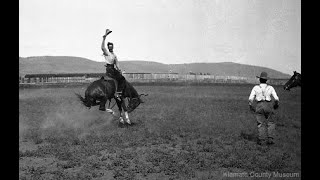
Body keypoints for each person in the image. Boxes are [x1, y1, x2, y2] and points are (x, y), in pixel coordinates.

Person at [248, 72, 279, 145]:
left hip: (259, 105)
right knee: (271, 122)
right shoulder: (270, 88)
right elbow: (276, 98)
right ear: (266, 80)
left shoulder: (255, 87)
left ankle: (261, 140)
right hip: (269, 105)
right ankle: (270, 139)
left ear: (259, 80)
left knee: (260, 123)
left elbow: (250, 99)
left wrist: (250, 106)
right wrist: (276, 105)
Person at [101, 29, 126, 98]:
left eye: (111, 47)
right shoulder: (107, 53)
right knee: (119, 79)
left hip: (112, 68)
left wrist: (119, 70)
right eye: (110, 48)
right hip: (109, 69)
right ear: (108, 48)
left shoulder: (114, 55)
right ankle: (117, 93)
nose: (111, 48)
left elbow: (117, 63)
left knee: (121, 78)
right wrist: (104, 39)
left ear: (113, 47)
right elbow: (102, 47)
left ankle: (118, 92)